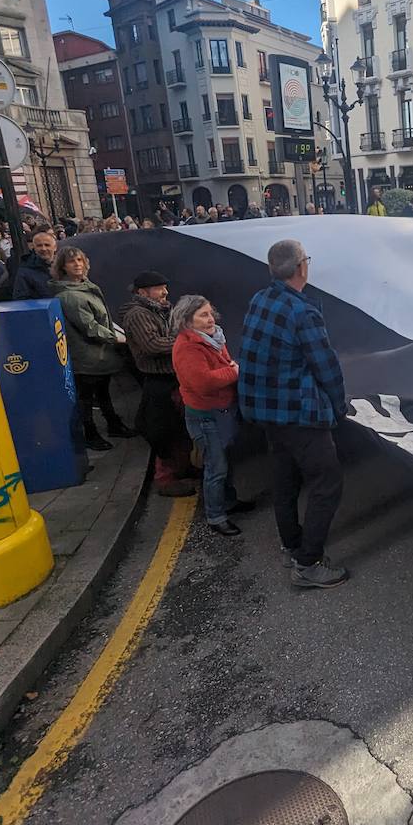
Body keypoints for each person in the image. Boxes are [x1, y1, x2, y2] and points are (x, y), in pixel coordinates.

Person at [238, 240, 349, 589]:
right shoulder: (302, 312)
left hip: (267, 411)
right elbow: (326, 366)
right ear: (302, 267)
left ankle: (291, 545)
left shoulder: (260, 299)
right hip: (299, 412)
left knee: (285, 479)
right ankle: (308, 563)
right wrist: (338, 406)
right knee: (327, 482)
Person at [172, 294, 254, 533]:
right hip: (206, 416)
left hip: (222, 411)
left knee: (225, 461)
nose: (210, 319)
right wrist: (234, 372)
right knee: (216, 467)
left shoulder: (214, 338)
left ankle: (228, 502)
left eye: (210, 313)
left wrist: (229, 369)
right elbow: (204, 383)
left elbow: (224, 364)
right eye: (203, 315)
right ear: (188, 320)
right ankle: (215, 517)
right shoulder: (188, 348)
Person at [52, 247, 134, 452]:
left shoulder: (86, 287)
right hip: (88, 355)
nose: (77, 264)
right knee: (87, 398)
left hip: (99, 353)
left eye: (80, 260)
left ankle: (113, 424)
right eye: (72, 262)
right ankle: (91, 434)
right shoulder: (70, 296)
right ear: (63, 267)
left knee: (103, 392)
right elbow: (90, 327)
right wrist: (116, 338)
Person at [121, 271, 195, 497]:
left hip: (173, 377)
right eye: (159, 288)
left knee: (179, 427)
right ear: (143, 292)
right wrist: (187, 341)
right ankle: (165, 478)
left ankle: (182, 468)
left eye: (165, 287)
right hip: (158, 380)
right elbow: (152, 345)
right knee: (162, 430)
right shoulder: (138, 315)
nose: (165, 292)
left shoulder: (164, 310)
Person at [14, 230, 57, 299]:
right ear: (34, 248)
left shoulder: (65, 266)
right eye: (39, 245)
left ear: (55, 247)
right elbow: (21, 299)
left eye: (47, 245)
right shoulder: (25, 271)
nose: (43, 249)